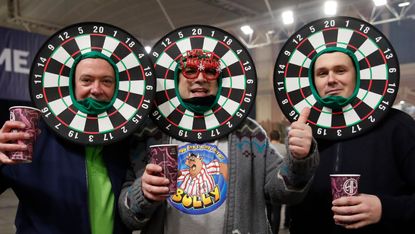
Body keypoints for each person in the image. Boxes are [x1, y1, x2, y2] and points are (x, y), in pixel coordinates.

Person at [118, 49, 319, 233]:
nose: (200, 78)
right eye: (189, 70)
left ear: (220, 79)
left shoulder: (248, 133)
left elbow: (285, 193)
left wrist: (299, 159)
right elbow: (128, 217)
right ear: (175, 79)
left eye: (210, 71)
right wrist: (142, 193)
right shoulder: (149, 134)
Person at [0, 54, 131, 233]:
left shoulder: (124, 138)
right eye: (86, 80)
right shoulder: (34, 135)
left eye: (107, 81)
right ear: (71, 85)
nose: (96, 89)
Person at [288, 48, 415, 234]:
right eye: (322, 73)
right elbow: (286, 196)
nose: (331, 79)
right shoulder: (305, 131)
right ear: (314, 81)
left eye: (340, 70)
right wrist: (297, 162)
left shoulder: (398, 126)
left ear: (357, 75)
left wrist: (385, 209)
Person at [267, 129, 288, 233]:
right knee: (277, 210)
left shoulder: (264, 147)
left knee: (268, 209)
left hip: (266, 182)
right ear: (279, 137)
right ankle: (275, 231)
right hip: (280, 182)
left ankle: (268, 229)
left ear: (270, 137)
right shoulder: (284, 148)